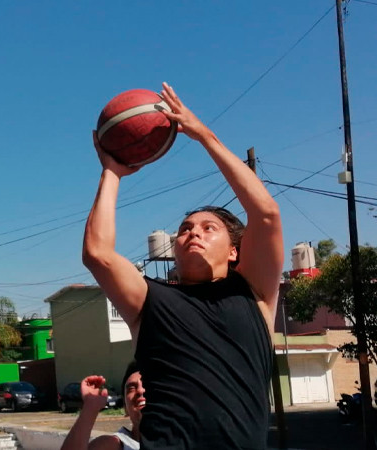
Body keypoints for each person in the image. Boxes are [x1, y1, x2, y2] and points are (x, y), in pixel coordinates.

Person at [83, 82, 283, 449]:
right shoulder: (150, 301)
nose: (194, 233)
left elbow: (266, 214)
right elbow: (97, 252)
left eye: (209, 228)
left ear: (235, 252)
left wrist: (203, 135)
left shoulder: (253, 291)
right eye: (185, 229)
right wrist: (111, 172)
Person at [61, 362, 145, 450]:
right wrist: (90, 406)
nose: (140, 390)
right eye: (131, 388)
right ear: (125, 407)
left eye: (147, 385)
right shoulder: (114, 444)